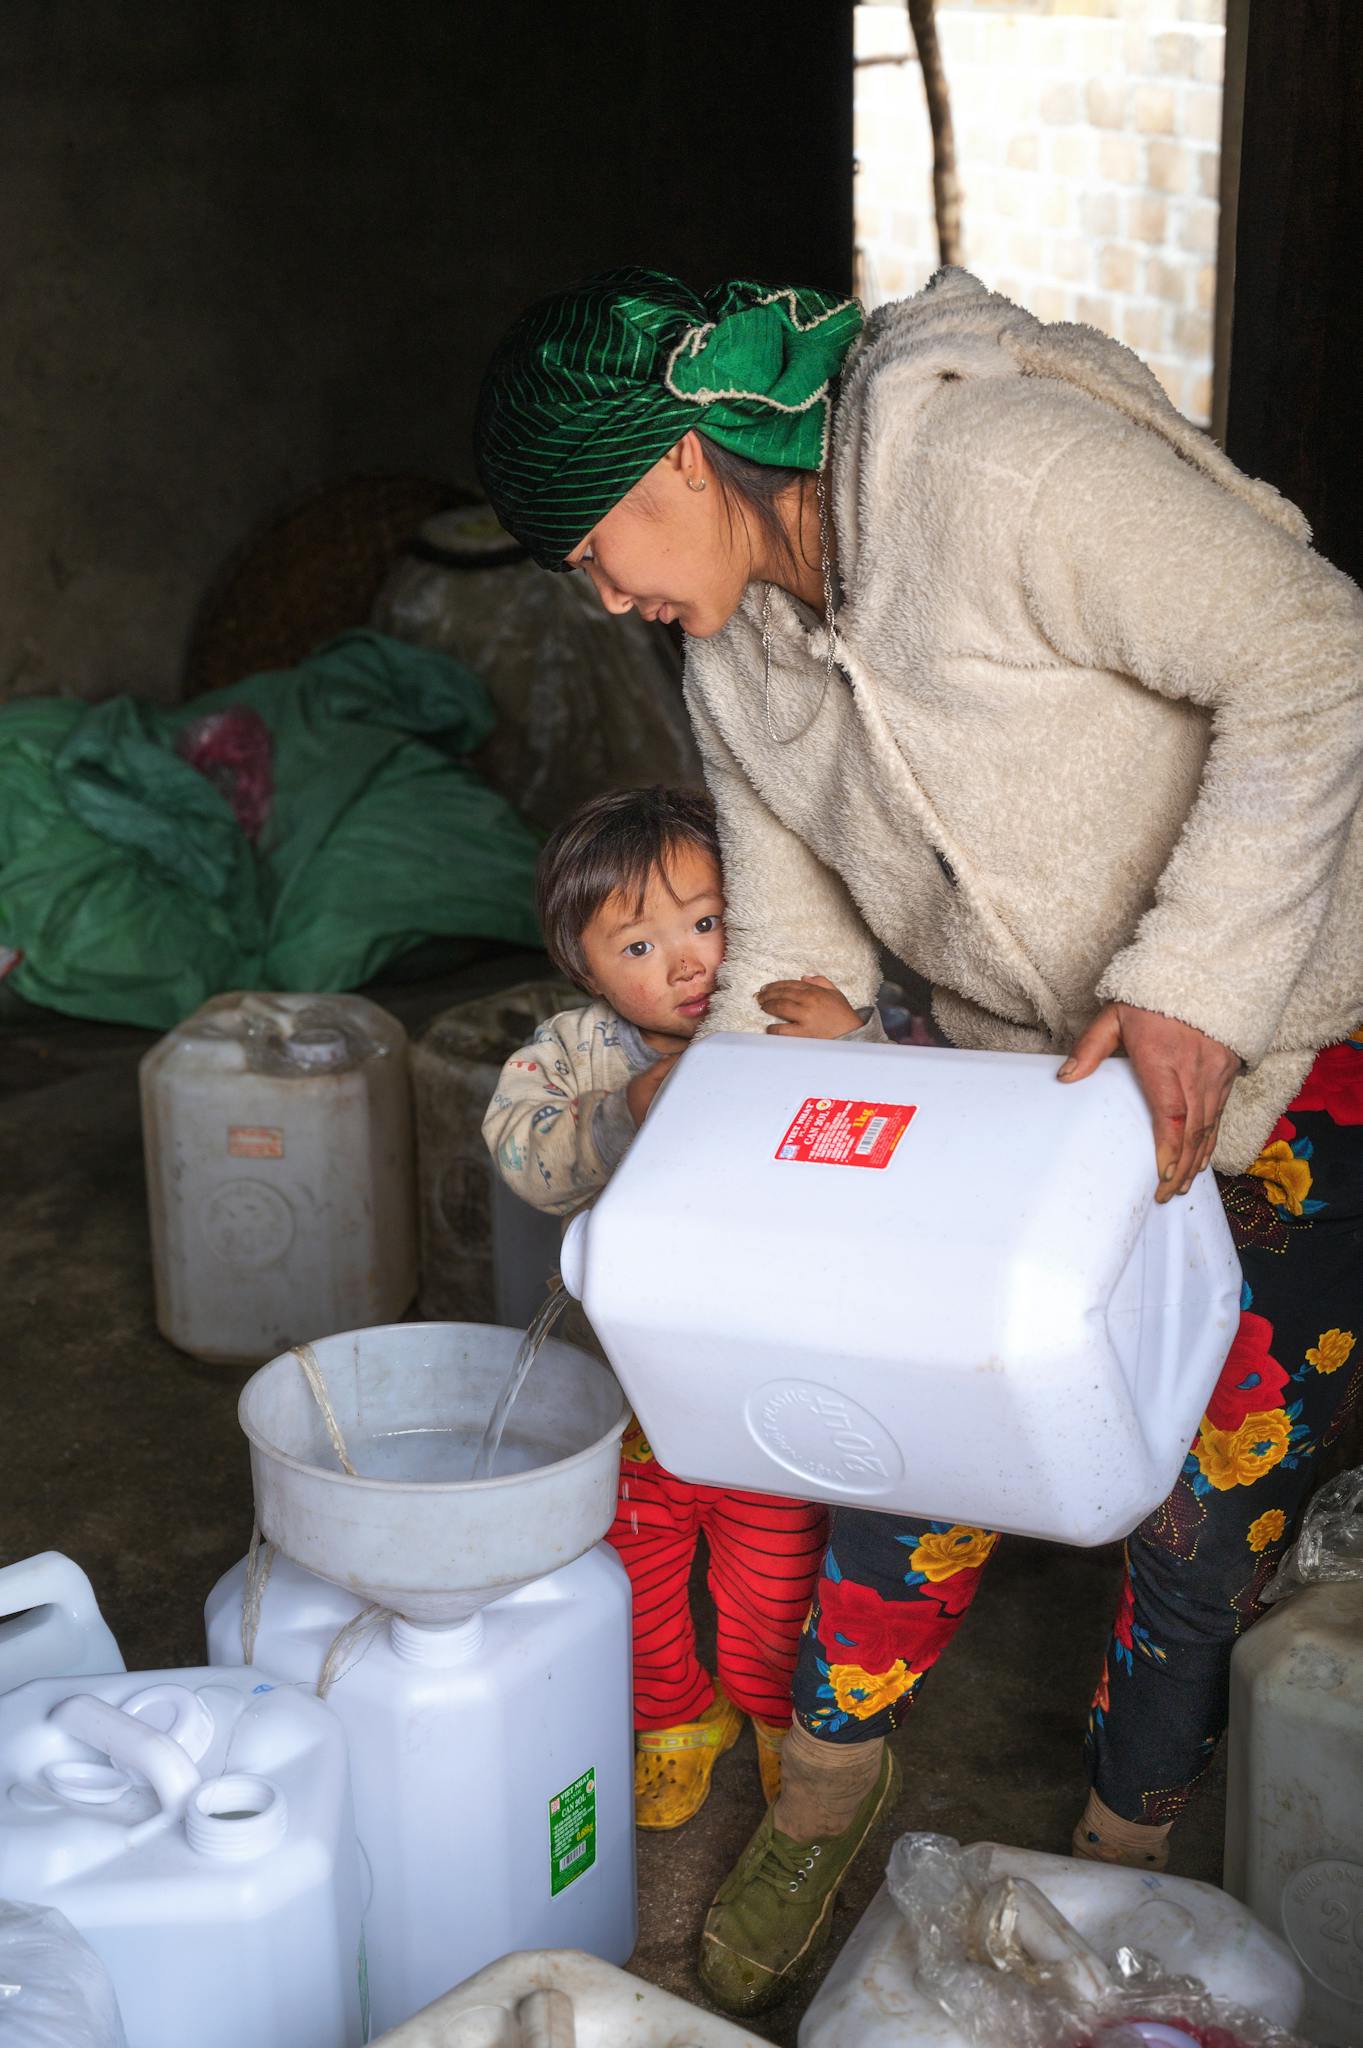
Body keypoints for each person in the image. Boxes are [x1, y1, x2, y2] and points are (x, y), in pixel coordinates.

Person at [475, 268, 1363, 2014]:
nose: (604, 593)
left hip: (1277, 1042)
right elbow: (787, 950)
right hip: (1015, 1100)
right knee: (892, 1449)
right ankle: (826, 1779)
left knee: (1200, 1508)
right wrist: (714, 1179)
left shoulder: (995, 476)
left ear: (681, 456)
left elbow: (1312, 649)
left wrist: (1191, 979)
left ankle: (1118, 1848)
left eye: (591, 546)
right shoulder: (732, 650)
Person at [483, 785, 885, 1830]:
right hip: (629, 1414)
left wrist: (853, 1048)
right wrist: (626, 1109)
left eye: (706, 921)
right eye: (639, 944)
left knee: (773, 1577)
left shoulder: (782, 1021)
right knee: (637, 1576)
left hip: (766, 1403)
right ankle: (673, 1719)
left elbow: (897, 1145)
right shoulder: (576, 1052)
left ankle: (764, 1712)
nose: (689, 961)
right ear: (581, 966)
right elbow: (524, 1151)